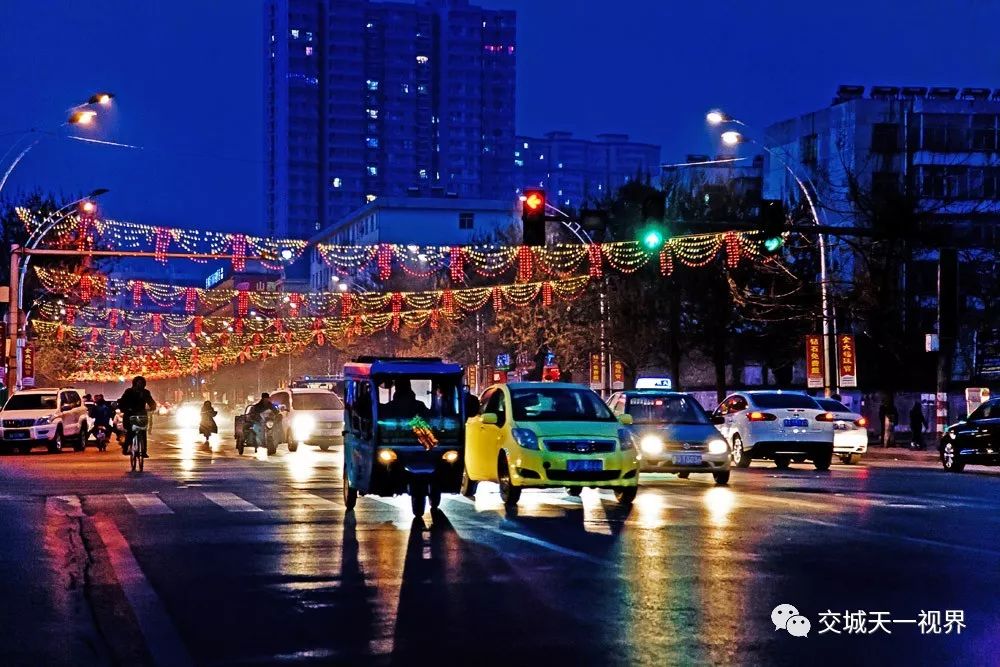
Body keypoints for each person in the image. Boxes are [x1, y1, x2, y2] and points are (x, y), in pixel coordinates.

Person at [117, 376, 156, 457]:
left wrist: (152, 407)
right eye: (138, 383)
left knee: (143, 432)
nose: (140, 384)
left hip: (141, 414)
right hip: (130, 414)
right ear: (135, 383)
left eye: (141, 383)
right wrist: (124, 409)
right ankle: (126, 448)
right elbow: (122, 401)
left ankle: (144, 451)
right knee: (130, 432)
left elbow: (151, 402)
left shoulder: (146, 392)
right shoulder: (129, 391)